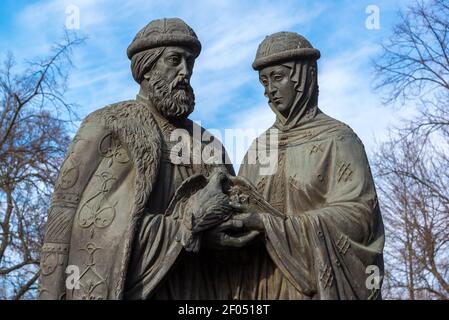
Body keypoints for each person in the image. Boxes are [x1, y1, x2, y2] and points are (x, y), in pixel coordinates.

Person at [39, 18, 241, 300]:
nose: (185, 72)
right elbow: (67, 217)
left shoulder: (209, 145)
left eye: (190, 62)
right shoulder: (107, 124)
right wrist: (186, 225)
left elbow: (234, 222)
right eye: (174, 60)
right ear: (147, 68)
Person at [216, 31, 385, 299]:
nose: (269, 90)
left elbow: (362, 216)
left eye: (278, 77)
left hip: (313, 286)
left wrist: (270, 226)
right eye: (263, 81)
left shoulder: (339, 139)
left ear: (305, 77)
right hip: (262, 285)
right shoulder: (259, 149)